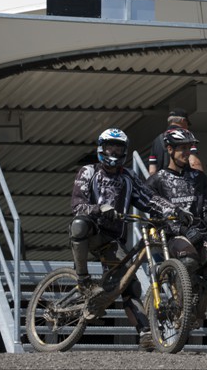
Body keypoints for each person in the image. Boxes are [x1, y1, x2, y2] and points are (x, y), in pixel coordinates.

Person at [69, 128, 185, 351]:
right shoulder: (88, 171)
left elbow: (149, 199)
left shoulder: (128, 176)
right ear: (102, 148)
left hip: (113, 240)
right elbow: (77, 206)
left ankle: (145, 334)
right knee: (79, 224)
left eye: (119, 148)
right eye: (110, 146)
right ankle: (82, 279)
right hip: (90, 232)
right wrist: (100, 208)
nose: (114, 151)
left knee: (129, 284)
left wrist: (175, 210)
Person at [145, 127, 207, 352]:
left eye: (189, 148)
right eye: (182, 148)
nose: (187, 152)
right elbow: (149, 208)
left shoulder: (199, 178)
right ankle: (184, 313)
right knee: (190, 261)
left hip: (199, 237)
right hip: (173, 238)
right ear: (170, 150)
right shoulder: (157, 180)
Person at [148, 108, 203, 175]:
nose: (187, 127)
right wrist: (201, 181)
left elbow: (152, 170)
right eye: (187, 124)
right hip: (183, 182)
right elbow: (194, 162)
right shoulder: (186, 137)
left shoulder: (157, 140)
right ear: (183, 120)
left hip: (163, 182)